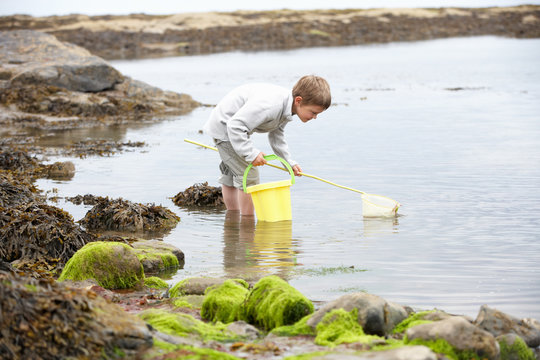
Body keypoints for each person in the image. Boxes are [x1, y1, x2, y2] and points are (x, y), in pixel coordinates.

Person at [203, 75, 331, 216]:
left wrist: (288, 163)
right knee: (249, 176)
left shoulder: (289, 107)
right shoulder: (271, 106)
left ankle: (232, 222)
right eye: (313, 112)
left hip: (230, 129)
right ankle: (248, 225)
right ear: (298, 100)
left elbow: (276, 135)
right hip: (225, 128)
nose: (314, 117)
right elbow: (235, 125)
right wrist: (250, 153)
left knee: (232, 175)